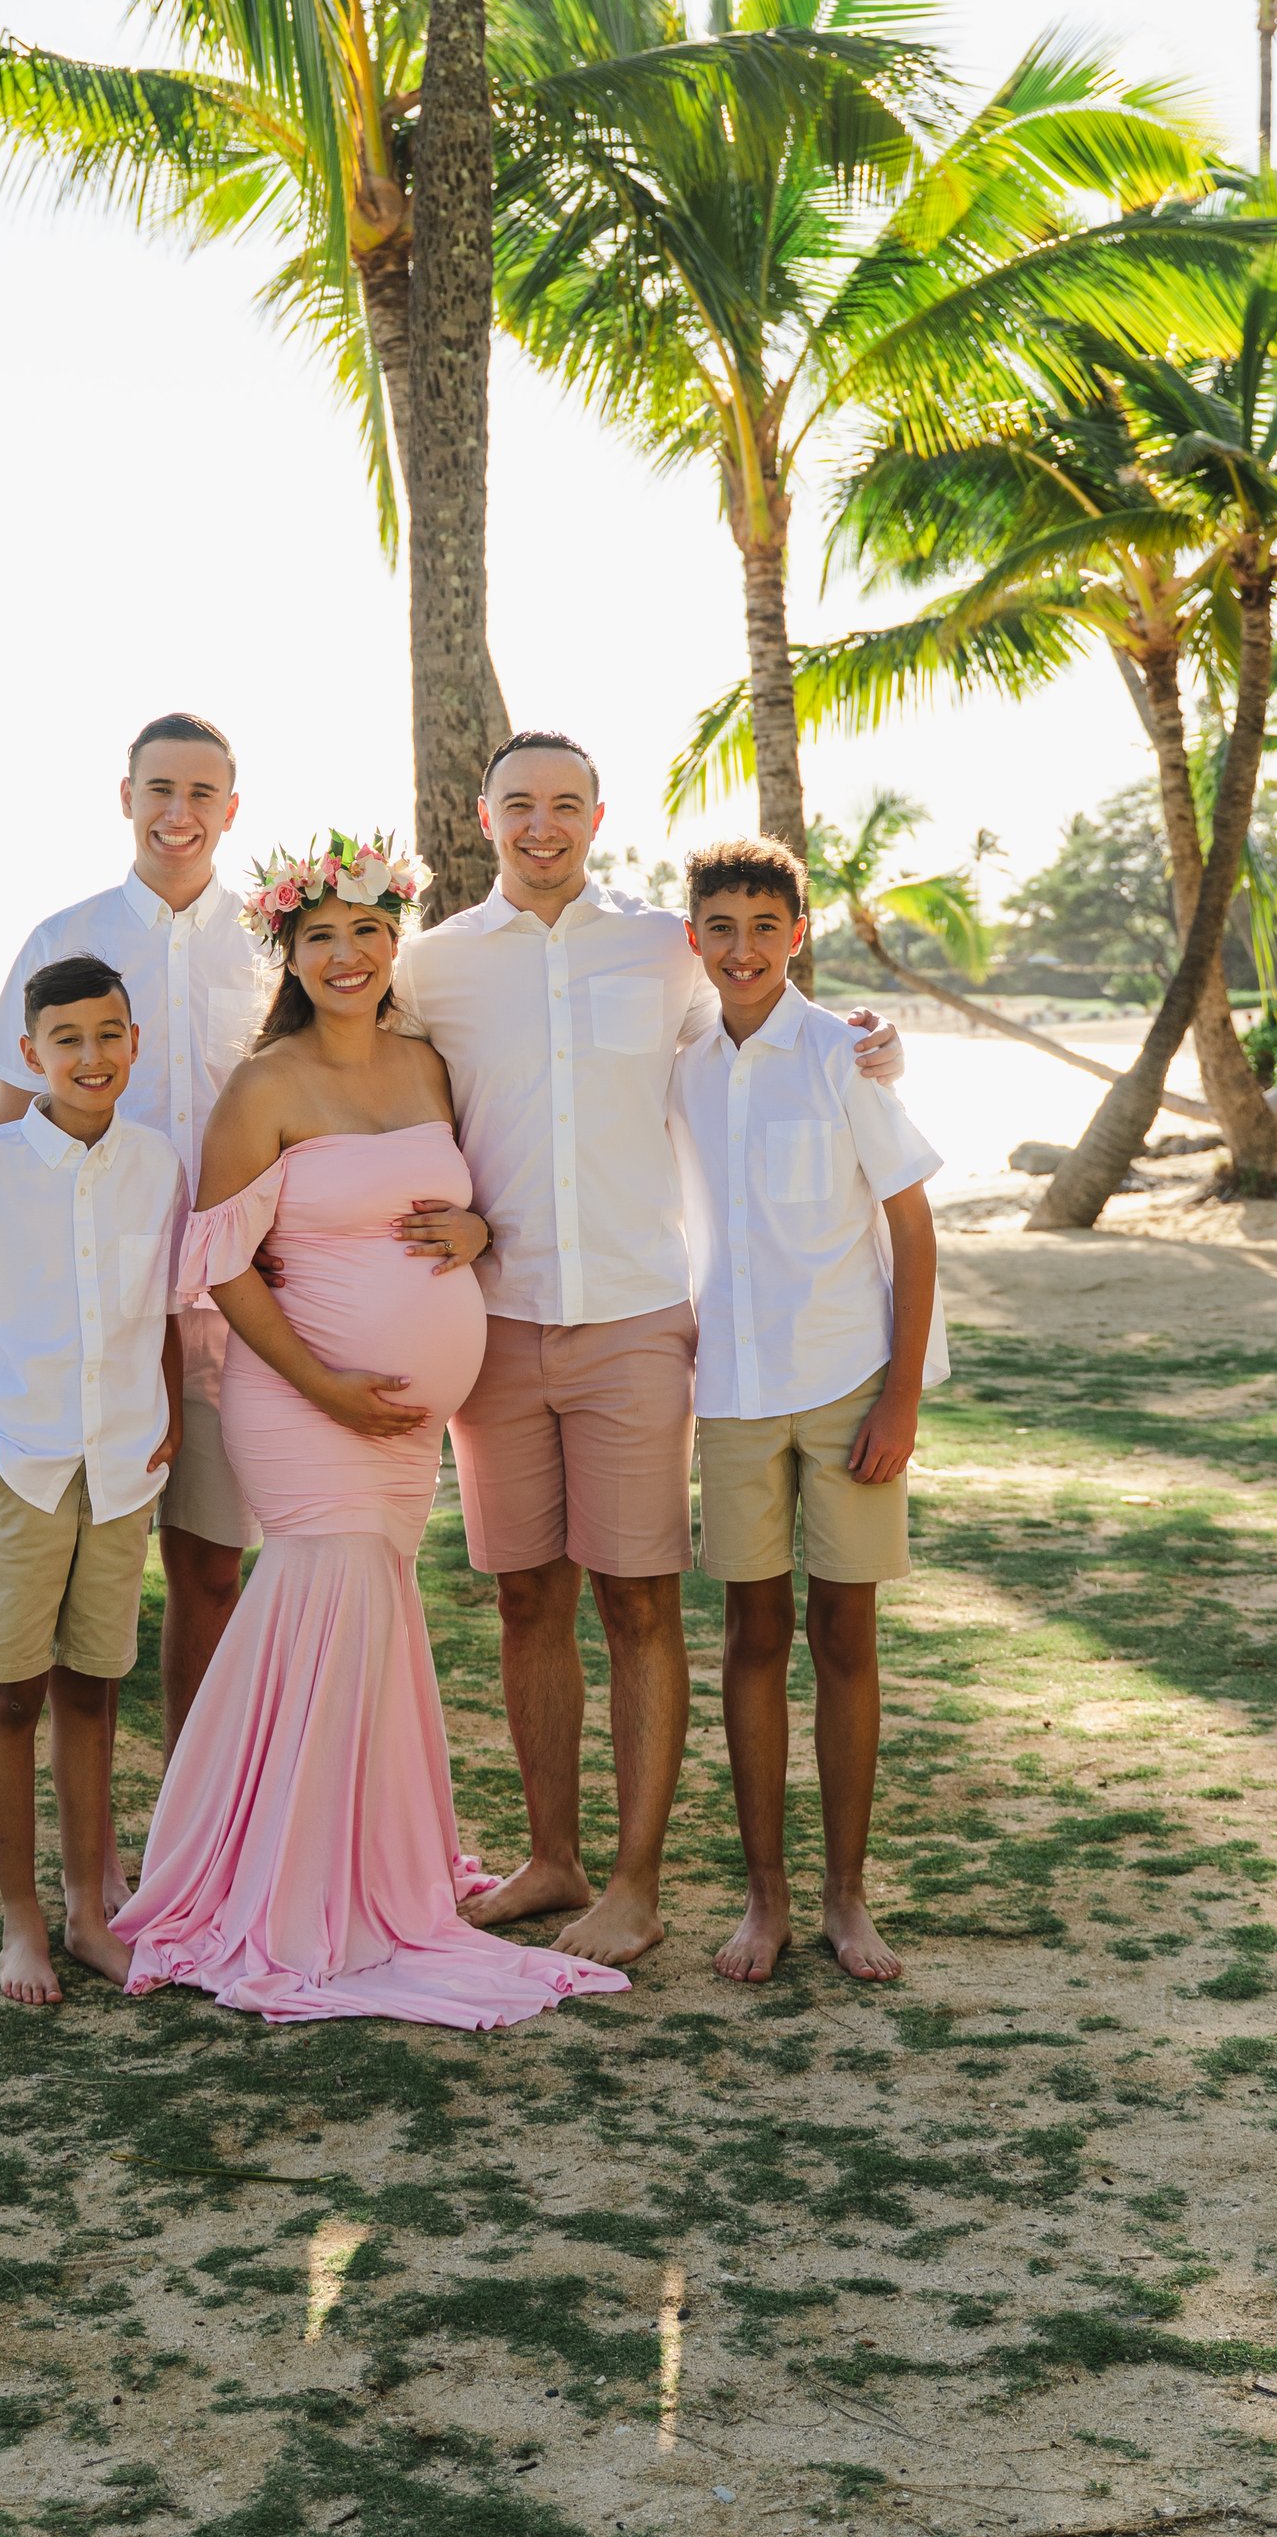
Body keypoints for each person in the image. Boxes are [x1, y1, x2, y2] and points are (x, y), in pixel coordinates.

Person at [392, 731, 901, 1968]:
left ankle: (635, 1880)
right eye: (520, 805)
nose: (543, 825)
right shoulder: (432, 965)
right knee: (525, 1596)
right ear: (483, 815)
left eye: (566, 804)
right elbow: (367, 1077)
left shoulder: (656, 947)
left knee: (637, 1599)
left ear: (598, 815)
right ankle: (551, 1857)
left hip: (634, 1317)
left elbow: (761, 1000)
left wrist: (866, 1041)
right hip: (497, 1321)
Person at [113, 834, 627, 2028]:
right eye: (320, 937)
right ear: (288, 955)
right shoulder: (266, 1086)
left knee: (368, 1622)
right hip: (301, 1403)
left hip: (402, 1432)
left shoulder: (428, 1064)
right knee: (319, 1599)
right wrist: (329, 1389)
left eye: (365, 931)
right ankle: (270, 1881)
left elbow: (465, 1202)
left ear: (395, 939)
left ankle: (356, 1865)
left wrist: (481, 1237)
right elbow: (222, 1266)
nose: (347, 954)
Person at [672, 840, 945, 1987]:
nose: (742, 949)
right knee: (749, 1637)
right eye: (720, 928)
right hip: (731, 1390)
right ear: (692, 941)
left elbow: (913, 1227)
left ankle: (844, 1893)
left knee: (843, 1634)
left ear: (798, 936)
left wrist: (901, 1395)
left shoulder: (843, 1056)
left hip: (845, 1386)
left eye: (764, 926)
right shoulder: (678, 1063)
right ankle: (764, 1895)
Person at [0, 712, 270, 1739]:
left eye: (201, 793)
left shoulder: (271, 943)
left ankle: (196, 1823)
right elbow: (9, 1149)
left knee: (209, 1569)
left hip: (234, 1308)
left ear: (230, 810)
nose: (178, 813)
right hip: (93, 1319)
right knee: (77, 1587)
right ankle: (89, 1848)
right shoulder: (63, 940)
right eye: (160, 789)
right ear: (126, 797)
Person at [0, 956, 185, 2008]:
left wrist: (161, 1417)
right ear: (30, 1055)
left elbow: (159, 1304)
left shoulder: (157, 1164)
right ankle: (20, 1919)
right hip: (17, 1466)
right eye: (66, 1040)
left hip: (120, 1466)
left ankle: (85, 1908)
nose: (90, 1056)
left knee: (93, 1689)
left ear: (133, 1043)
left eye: (109, 1034)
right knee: (11, 1691)